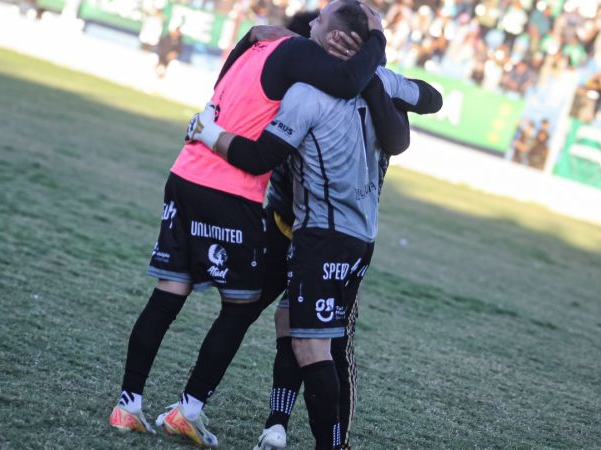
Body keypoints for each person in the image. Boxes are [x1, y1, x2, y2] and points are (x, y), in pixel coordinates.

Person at [109, 2, 388, 448]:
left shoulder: (258, 42)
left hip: (184, 174)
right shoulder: (299, 51)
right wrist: (376, 38)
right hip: (230, 191)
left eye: (320, 17)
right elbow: (349, 80)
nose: (312, 22)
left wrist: (253, 38)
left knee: (167, 295)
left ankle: (128, 405)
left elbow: (228, 77)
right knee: (240, 309)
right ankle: (190, 409)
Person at [187, 5, 440, 449]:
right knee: (293, 325)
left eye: (318, 21)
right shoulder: (378, 80)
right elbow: (427, 105)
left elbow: (258, 156)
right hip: (348, 235)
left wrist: (207, 132)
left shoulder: (308, 89)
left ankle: (323, 440)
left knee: (312, 341)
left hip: (318, 234)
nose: (310, 25)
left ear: (335, 39)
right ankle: (271, 424)